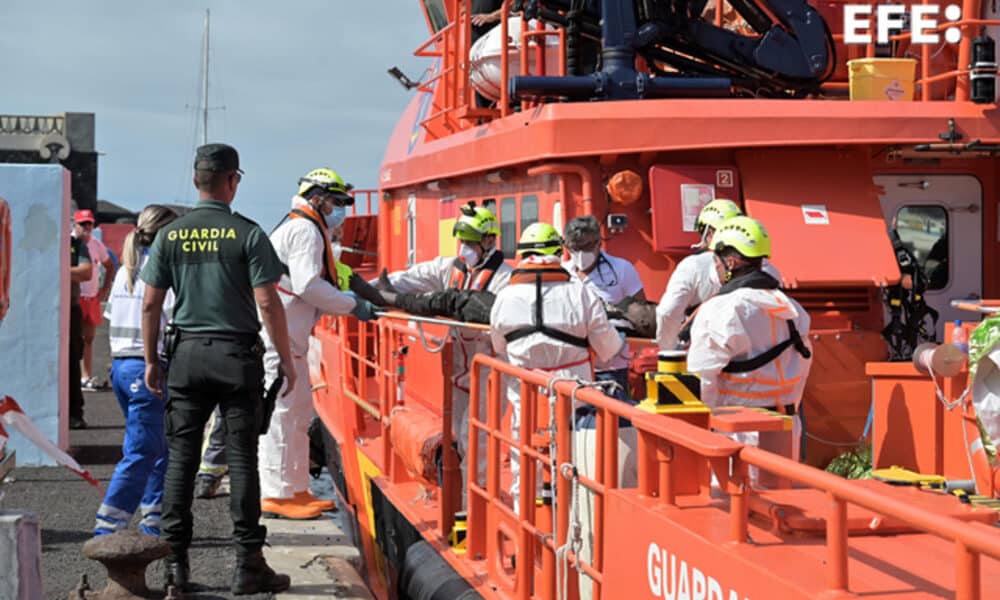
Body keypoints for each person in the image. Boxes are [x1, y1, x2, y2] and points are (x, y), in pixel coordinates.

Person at [140, 143, 294, 594]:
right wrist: (286, 358)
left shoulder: (171, 235)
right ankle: (248, 564)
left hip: (186, 357)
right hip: (237, 358)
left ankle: (175, 570)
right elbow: (267, 300)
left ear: (195, 181)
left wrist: (152, 360)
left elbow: (151, 304)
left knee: (181, 461)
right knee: (243, 460)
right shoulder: (248, 234)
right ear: (233, 181)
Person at [489, 222, 627, 599]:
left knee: (523, 468)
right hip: (578, 398)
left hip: (527, 398)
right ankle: (580, 547)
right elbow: (610, 347)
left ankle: (526, 546)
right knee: (581, 470)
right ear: (559, 251)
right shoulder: (580, 293)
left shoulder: (504, 297)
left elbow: (500, 346)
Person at [258, 168, 377, 520]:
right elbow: (308, 284)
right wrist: (351, 304)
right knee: (282, 414)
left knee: (296, 414)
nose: (340, 209)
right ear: (317, 199)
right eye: (336, 202)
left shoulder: (305, 227)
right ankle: (277, 493)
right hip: (278, 339)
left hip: (289, 338)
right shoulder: (305, 230)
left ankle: (295, 489)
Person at [377, 202, 512, 487]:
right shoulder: (450, 269)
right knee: (459, 434)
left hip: (491, 369)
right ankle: (465, 492)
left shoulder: (504, 280)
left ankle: (475, 502)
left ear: (489, 241)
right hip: (460, 369)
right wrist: (374, 288)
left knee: (476, 438)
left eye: (470, 242)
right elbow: (413, 278)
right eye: (462, 240)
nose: (464, 247)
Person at [686, 216, 813, 464]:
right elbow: (802, 367)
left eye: (716, 260)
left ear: (730, 261)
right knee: (780, 495)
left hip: (736, 433)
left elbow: (701, 378)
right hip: (786, 429)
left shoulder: (721, 310)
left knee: (735, 500)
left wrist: (703, 426)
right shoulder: (793, 309)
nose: (716, 267)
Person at [94, 204, 178, 537]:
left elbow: (113, 320)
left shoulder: (125, 272)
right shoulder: (162, 275)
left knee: (156, 444)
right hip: (147, 370)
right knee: (142, 449)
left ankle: (154, 518)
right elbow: (171, 319)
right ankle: (108, 525)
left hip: (121, 368)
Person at [655, 199, 780, 351]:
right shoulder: (772, 274)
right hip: (760, 354)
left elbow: (668, 312)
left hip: (708, 352)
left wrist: (668, 350)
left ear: (710, 232)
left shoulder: (693, 265)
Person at [561, 215, 644, 404]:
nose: (581, 253)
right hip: (573, 367)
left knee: (616, 428)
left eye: (587, 247)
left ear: (599, 243)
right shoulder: (562, 272)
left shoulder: (622, 269)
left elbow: (642, 314)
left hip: (611, 368)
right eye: (575, 248)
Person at [73, 209, 116, 390]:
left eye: (89, 224)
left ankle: (85, 376)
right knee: (75, 338)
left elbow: (110, 265)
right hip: (76, 296)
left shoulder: (96, 244)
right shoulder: (70, 243)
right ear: (75, 225)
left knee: (89, 338)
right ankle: (73, 376)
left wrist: (105, 289)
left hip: (91, 297)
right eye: (83, 224)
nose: (87, 228)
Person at [69, 221, 93, 430]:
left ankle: (75, 413)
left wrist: (57, 269)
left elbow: (86, 272)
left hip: (71, 309)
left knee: (71, 362)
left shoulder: (76, 244)